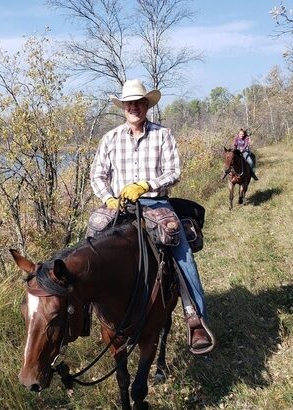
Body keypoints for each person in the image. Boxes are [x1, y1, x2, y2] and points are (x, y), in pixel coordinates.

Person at [90, 79, 213, 354]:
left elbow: (173, 172)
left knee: (180, 250)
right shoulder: (109, 139)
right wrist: (109, 198)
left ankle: (195, 318)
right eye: (129, 103)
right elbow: (97, 175)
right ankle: (85, 315)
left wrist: (146, 185)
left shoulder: (162, 135)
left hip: (156, 202)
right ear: (123, 107)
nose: (134, 107)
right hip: (118, 206)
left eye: (139, 102)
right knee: (91, 245)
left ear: (147, 105)